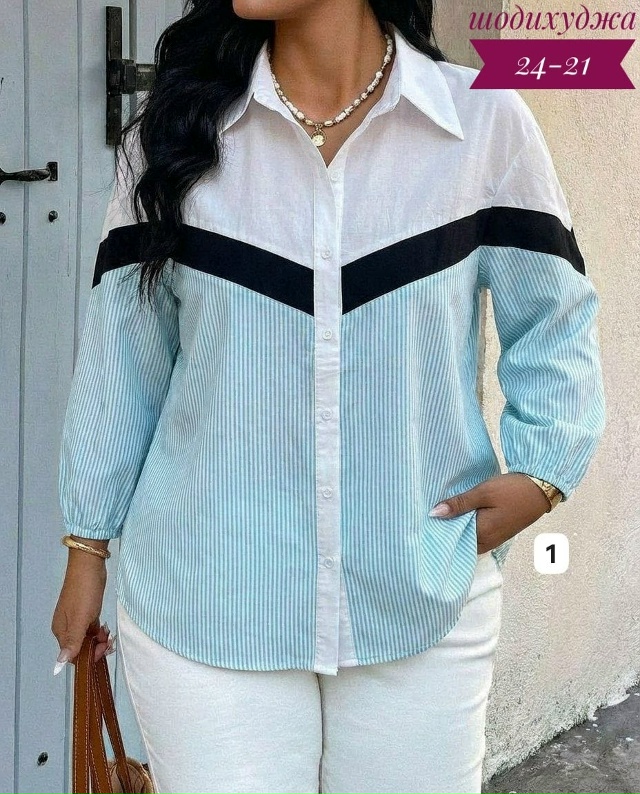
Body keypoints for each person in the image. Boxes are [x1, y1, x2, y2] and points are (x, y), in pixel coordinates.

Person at [51, 1, 606, 792]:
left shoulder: (483, 124)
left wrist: (545, 472)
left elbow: (554, 317)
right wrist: (87, 547)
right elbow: (123, 357)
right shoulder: (174, 136)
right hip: (205, 594)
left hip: (420, 587)